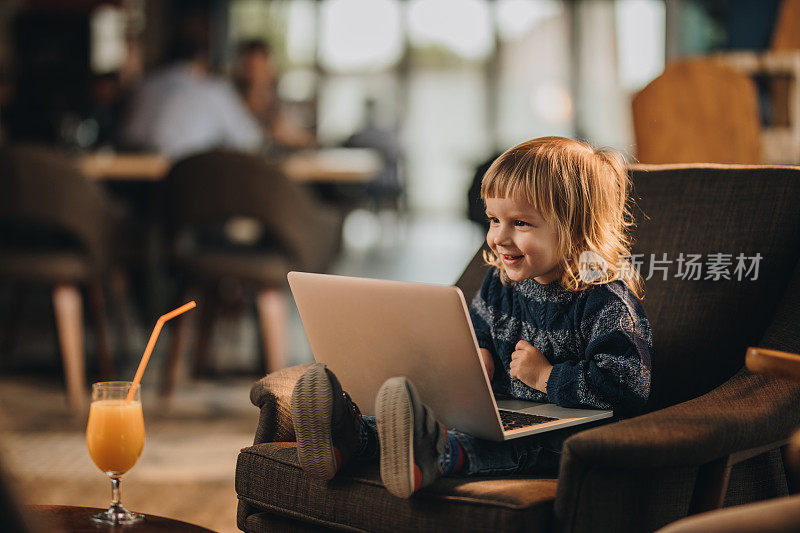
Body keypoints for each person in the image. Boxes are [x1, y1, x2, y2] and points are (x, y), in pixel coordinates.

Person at [289, 136, 653, 498]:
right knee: (433, 416)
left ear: (575, 230)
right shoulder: (501, 283)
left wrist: (546, 376)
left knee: (523, 444)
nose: (498, 237)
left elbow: (627, 388)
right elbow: (476, 334)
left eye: (521, 224)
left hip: (572, 433)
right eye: (494, 219)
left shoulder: (605, 299)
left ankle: (437, 456)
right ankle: (351, 438)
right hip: (505, 412)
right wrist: (476, 357)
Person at [122, 36, 262, 161]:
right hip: (193, 179)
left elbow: (128, 137)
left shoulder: (145, 86)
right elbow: (251, 140)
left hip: (142, 182)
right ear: (201, 61)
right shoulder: (214, 89)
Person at [234, 39, 315, 151]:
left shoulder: (279, 106)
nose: (256, 74)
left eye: (261, 67)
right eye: (252, 68)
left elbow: (305, 140)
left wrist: (294, 137)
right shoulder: (230, 103)